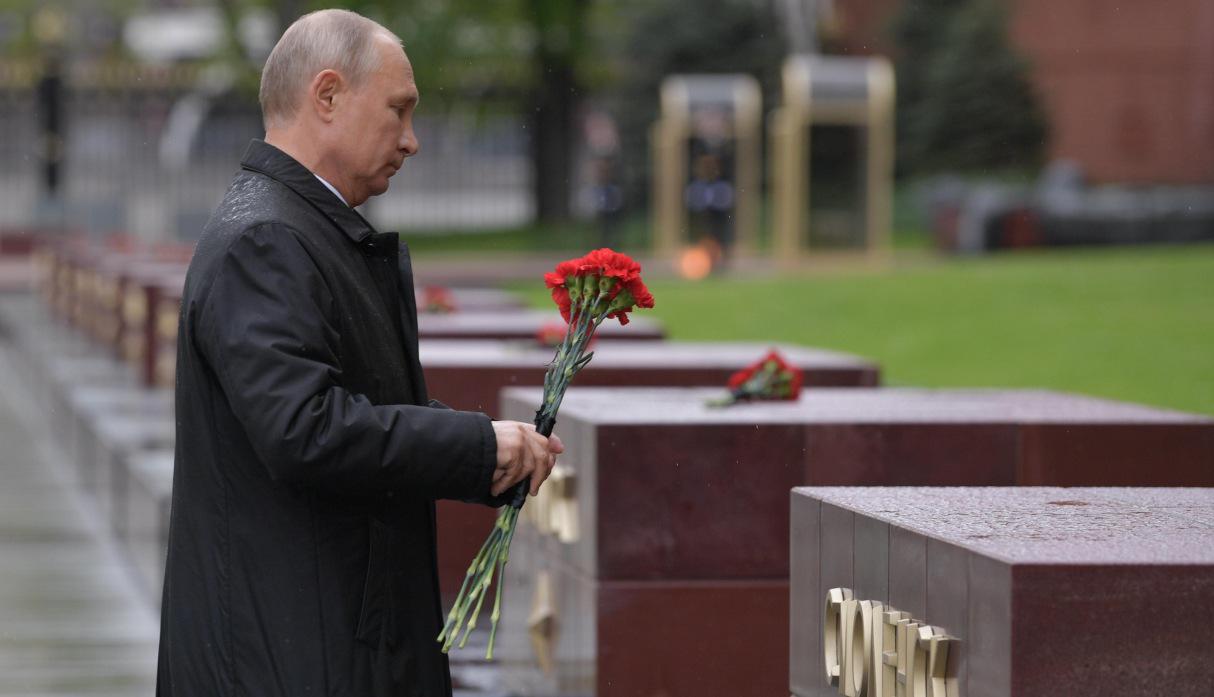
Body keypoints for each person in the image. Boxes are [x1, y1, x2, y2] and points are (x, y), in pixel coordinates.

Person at [156, 9, 562, 696]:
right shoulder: (268, 239)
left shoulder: (299, 227)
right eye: (398, 111)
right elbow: (306, 431)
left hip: (314, 643)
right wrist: (475, 446)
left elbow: (357, 405)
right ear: (327, 96)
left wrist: (489, 456)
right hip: (292, 660)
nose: (412, 141)